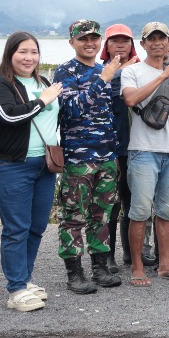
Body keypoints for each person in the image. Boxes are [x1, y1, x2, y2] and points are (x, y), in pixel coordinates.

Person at [0, 32, 63, 311]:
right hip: (11, 166)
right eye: (23, 52)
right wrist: (43, 101)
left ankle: (25, 279)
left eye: (34, 52)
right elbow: (10, 116)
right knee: (16, 229)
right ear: (10, 54)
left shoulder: (43, 81)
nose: (29, 57)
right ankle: (16, 289)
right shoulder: (0, 84)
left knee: (36, 226)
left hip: (44, 166)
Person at [53, 20, 124, 293]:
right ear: (72, 42)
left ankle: (100, 268)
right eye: (83, 38)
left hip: (106, 155)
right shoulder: (65, 72)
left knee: (102, 215)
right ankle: (74, 273)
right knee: (73, 217)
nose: (89, 43)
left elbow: (108, 116)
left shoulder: (101, 69)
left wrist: (114, 153)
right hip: (78, 159)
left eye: (94, 38)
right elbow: (71, 109)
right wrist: (102, 80)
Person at [120, 22, 169, 287]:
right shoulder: (133, 71)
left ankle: (165, 264)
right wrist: (162, 75)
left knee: (168, 210)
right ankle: (137, 267)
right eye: (152, 39)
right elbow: (130, 99)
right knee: (139, 211)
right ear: (143, 44)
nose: (157, 43)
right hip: (143, 150)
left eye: (162, 38)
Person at [101, 23, 142, 270]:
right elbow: (105, 92)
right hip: (113, 146)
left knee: (133, 202)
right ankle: (108, 255)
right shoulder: (101, 71)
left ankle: (131, 253)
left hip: (138, 144)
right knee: (111, 204)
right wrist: (119, 72)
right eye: (114, 40)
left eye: (125, 40)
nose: (120, 44)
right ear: (106, 45)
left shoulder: (141, 68)